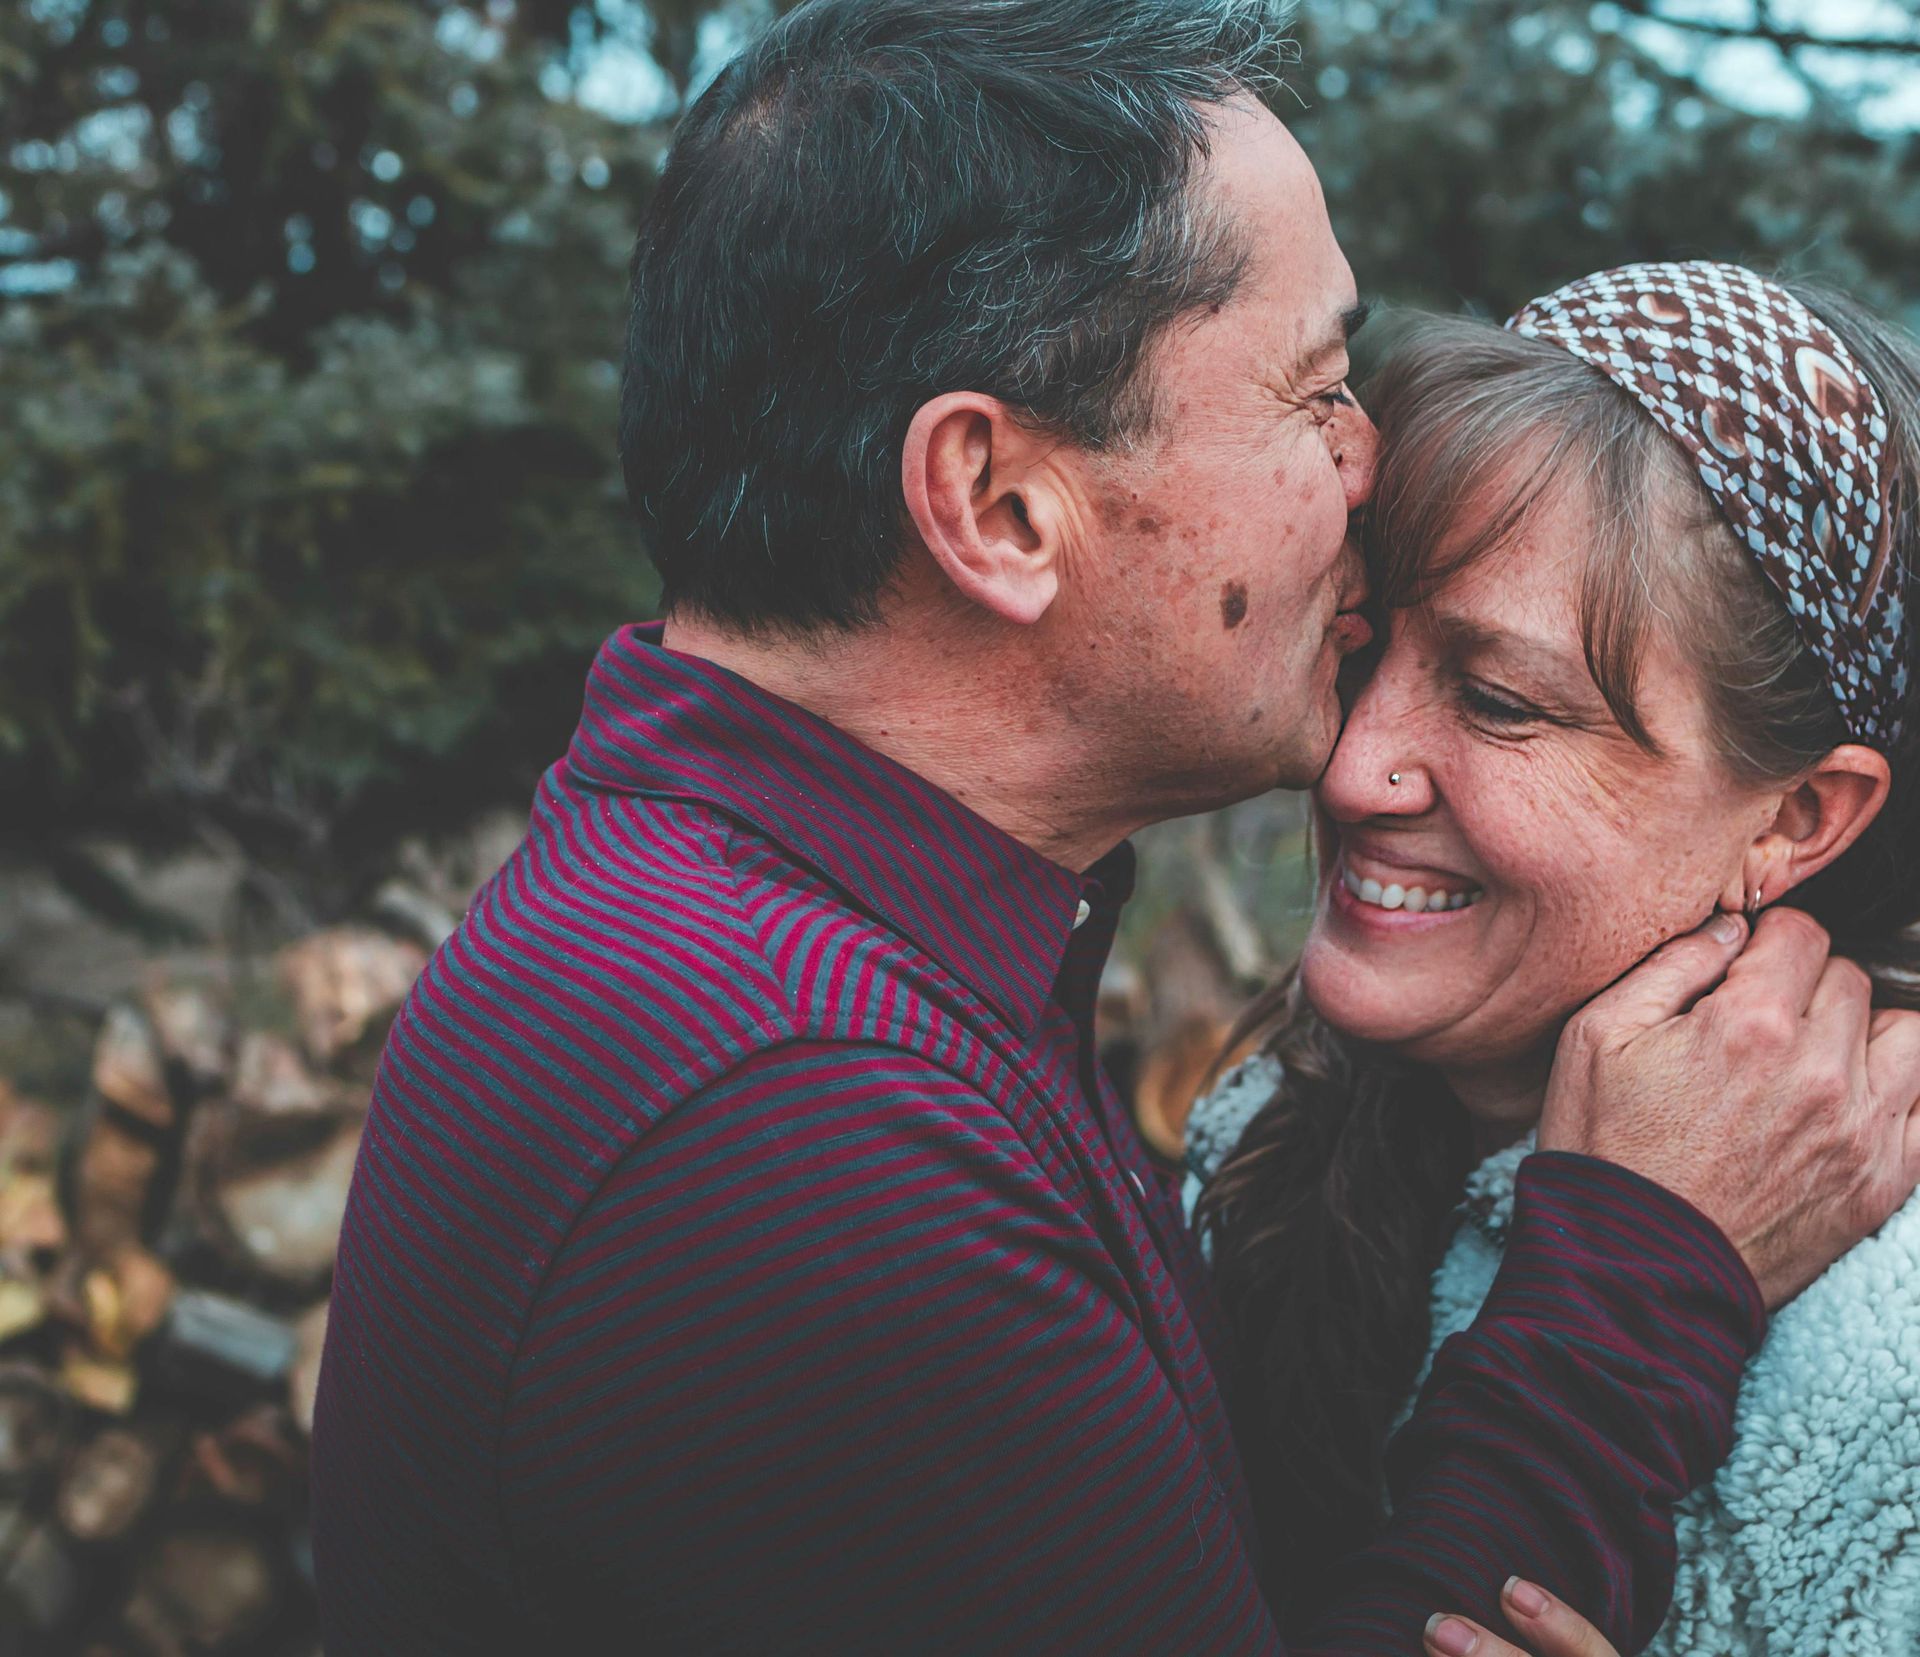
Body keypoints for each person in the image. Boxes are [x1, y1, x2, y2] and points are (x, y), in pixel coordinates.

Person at [310, 0, 1920, 1646]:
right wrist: (1633, 1289)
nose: (1366, 463)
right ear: (1003, 507)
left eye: (1501, 698)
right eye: (1312, 391)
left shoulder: (789, 952)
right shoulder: (811, 1139)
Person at [1192, 262, 1920, 1654]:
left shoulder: (1890, 1349)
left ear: (1794, 818)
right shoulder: (1254, 1140)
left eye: (1499, 699)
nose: (1352, 767)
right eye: (1358, 646)